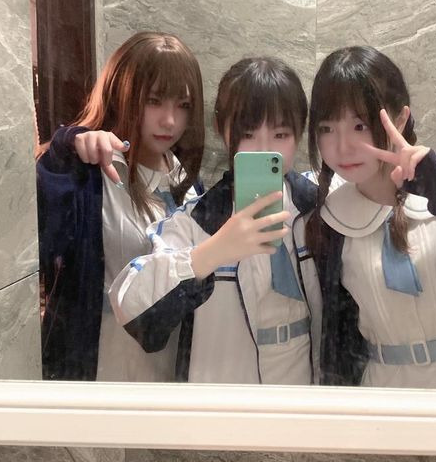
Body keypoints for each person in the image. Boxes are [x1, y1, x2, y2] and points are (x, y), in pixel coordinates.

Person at [109, 57, 323, 384]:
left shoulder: (319, 208)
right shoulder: (195, 221)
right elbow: (130, 308)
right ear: (223, 130)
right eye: (248, 134)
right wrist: (213, 251)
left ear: (300, 132)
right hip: (225, 393)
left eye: (281, 134)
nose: (264, 149)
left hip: (305, 389)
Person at [37, 31, 205, 382]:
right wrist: (65, 145)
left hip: (172, 373)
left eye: (183, 105)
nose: (170, 120)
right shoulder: (88, 174)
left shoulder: (189, 185)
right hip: (99, 371)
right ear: (121, 95)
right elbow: (38, 230)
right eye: (154, 101)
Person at [306, 46, 436, 389]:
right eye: (327, 128)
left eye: (359, 125)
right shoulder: (331, 222)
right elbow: (338, 340)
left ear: (400, 119)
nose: (343, 146)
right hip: (381, 394)